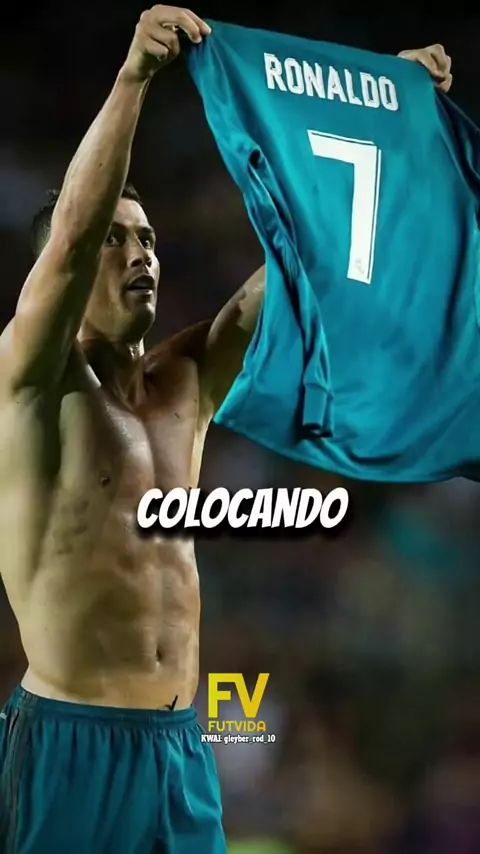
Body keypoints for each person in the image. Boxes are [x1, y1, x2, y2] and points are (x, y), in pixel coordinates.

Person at [0, 5, 453, 852]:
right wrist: (134, 78)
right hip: (71, 741)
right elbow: (68, 243)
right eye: (116, 240)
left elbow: (302, 257)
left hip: (180, 749)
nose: (140, 253)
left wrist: (383, 117)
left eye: (149, 238)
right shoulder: (31, 380)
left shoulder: (187, 382)